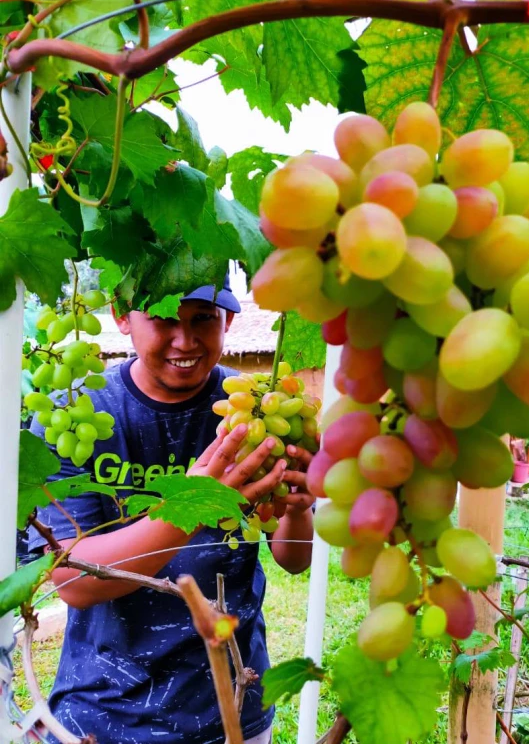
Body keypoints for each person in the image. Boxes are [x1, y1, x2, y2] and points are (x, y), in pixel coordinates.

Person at [28, 278, 315, 744]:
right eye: (163, 318)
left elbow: (293, 557)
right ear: (122, 317)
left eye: (203, 318)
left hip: (231, 710)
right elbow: (74, 581)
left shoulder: (253, 412)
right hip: (103, 717)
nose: (185, 340)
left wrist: (299, 510)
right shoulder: (79, 416)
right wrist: (195, 506)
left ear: (230, 320)